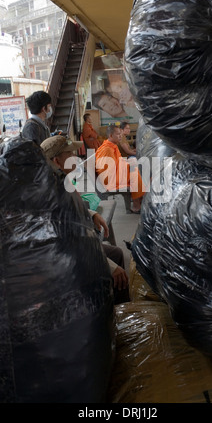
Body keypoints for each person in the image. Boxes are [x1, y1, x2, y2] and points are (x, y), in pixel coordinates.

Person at [40, 135, 129, 304]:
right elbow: (70, 242)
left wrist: (91, 213)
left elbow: (73, 211)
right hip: (65, 256)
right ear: (57, 162)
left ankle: (122, 312)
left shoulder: (61, 182)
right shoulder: (52, 192)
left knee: (116, 253)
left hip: (74, 245)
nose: (76, 158)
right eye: (71, 155)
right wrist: (109, 266)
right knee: (115, 268)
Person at [95, 124, 145, 213]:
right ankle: (137, 205)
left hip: (114, 174)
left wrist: (127, 164)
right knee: (135, 173)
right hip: (109, 179)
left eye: (120, 134)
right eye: (118, 134)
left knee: (137, 170)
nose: (120, 136)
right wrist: (128, 166)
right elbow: (110, 170)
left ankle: (139, 201)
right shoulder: (107, 149)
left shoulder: (113, 146)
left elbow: (119, 162)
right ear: (110, 135)